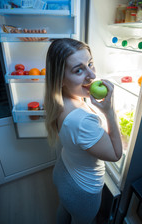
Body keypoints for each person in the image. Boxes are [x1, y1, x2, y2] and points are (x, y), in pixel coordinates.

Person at [44, 38, 122, 224]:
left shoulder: (58, 99)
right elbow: (116, 154)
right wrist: (109, 112)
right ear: (60, 79)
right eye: (78, 70)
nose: (92, 76)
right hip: (82, 189)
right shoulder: (82, 121)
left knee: (64, 210)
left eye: (90, 64)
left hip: (64, 169)